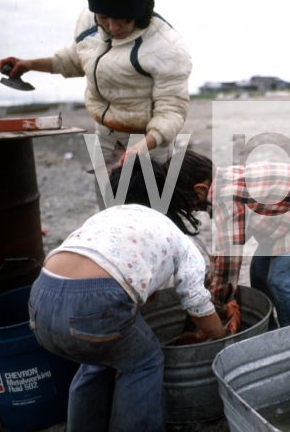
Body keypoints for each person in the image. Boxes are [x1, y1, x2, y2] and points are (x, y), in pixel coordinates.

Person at [28, 160, 229, 432]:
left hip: (40, 299)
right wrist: (221, 337)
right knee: (144, 362)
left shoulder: (109, 217)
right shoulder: (178, 237)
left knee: (99, 360)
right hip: (94, 303)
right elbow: (196, 302)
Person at [0, 0, 192, 209]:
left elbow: (171, 111)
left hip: (148, 140)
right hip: (105, 136)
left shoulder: (166, 47)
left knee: (152, 212)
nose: (112, 27)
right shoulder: (90, 21)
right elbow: (77, 58)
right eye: (104, 18)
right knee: (109, 209)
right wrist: (28, 64)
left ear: (139, 13)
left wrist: (140, 148)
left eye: (123, 20)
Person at [117, 150, 290, 330]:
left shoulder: (226, 199)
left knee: (279, 281)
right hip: (281, 216)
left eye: (193, 206)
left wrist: (213, 300)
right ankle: (268, 328)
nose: (196, 211)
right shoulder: (220, 179)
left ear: (200, 190)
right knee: (258, 273)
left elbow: (229, 261)